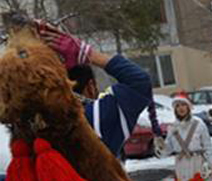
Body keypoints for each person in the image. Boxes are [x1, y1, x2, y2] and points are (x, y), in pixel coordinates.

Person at [40, 23, 152, 159]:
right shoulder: (99, 115)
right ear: (91, 86)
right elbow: (139, 81)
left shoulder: (37, 123)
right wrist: (88, 54)